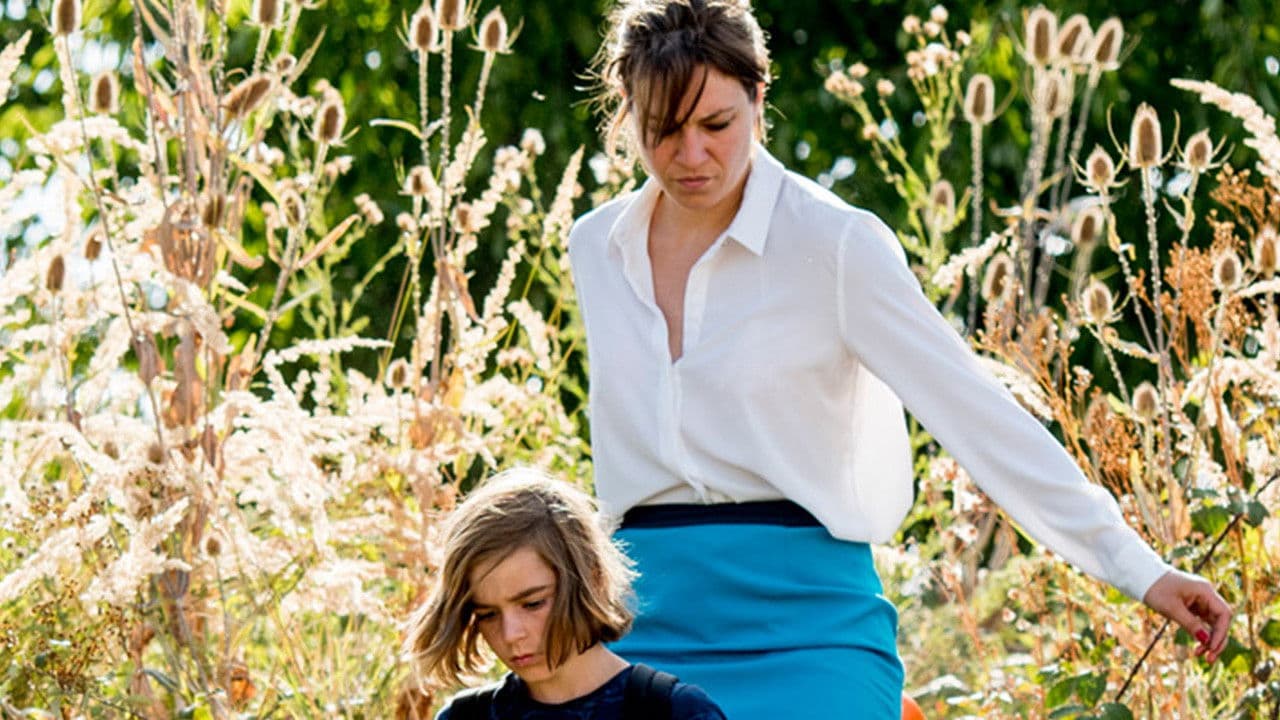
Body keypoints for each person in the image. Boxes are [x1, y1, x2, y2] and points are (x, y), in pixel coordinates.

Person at [567, 0, 1233, 717]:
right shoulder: (596, 248)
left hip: (810, 628)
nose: (691, 154)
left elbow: (976, 413)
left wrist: (1139, 569)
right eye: (663, 129)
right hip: (641, 623)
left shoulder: (835, 244)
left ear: (759, 99)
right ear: (627, 112)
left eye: (716, 125)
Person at [402, 468, 727, 720]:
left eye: (532, 603)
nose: (511, 634)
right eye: (487, 614)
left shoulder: (675, 712)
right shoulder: (465, 717)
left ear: (592, 579)